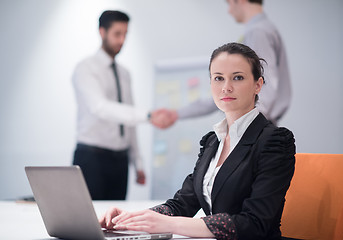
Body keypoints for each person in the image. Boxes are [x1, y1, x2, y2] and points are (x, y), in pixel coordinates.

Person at [99, 43, 296, 239]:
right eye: (218, 78)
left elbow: (254, 224)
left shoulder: (275, 141)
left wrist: (170, 223)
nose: (226, 87)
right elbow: (182, 204)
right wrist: (131, 218)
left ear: (258, 85)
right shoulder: (213, 142)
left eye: (237, 77)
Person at [154, 0, 291, 127]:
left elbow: (266, 87)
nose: (229, 11)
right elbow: (226, 92)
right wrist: (178, 114)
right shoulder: (260, 30)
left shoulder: (258, 32)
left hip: (255, 127)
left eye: (229, 3)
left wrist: (249, 127)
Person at [72, 10, 157, 200]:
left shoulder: (125, 73)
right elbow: (100, 108)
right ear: (102, 32)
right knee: (88, 220)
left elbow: (128, 120)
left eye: (125, 34)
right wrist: (148, 115)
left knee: (115, 220)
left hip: (120, 161)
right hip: (91, 158)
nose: (122, 40)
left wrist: (138, 162)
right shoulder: (85, 69)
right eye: (117, 34)